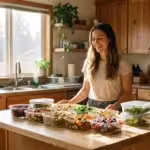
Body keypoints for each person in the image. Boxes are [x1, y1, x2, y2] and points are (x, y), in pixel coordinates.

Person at [59, 23, 132, 110]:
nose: (96, 42)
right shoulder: (89, 62)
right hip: (91, 107)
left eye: (100, 38)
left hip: (113, 108)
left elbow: (127, 93)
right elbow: (85, 89)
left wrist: (115, 106)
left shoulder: (122, 64)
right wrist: (70, 102)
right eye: (93, 39)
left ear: (110, 39)